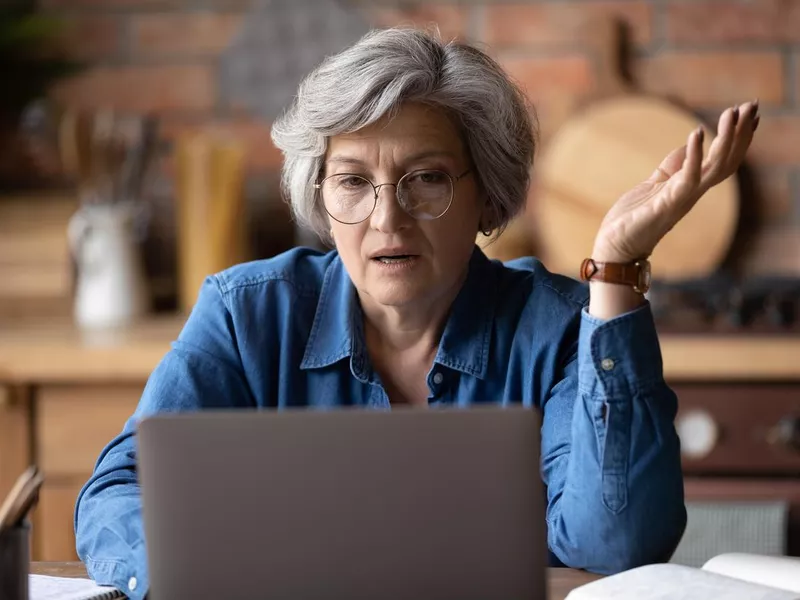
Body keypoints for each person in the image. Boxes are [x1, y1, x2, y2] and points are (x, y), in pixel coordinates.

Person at [74, 27, 757, 600]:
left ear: (485, 193)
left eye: (425, 179)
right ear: (320, 197)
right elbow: (115, 496)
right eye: (352, 182)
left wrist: (614, 266)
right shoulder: (246, 315)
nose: (386, 217)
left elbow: (619, 545)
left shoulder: (559, 327)